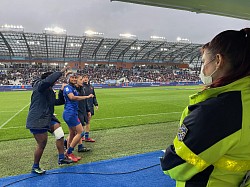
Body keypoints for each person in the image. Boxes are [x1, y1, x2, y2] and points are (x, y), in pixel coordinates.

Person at [160, 28, 250, 186]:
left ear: (218, 61)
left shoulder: (218, 111)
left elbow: (174, 165)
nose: (202, 68)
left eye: (203, 62)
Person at [26, 67, 72, 175]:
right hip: (38, 119)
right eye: (54, 80)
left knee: (59, 133)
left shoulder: (49, 90)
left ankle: (61, 158)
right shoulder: (39, 85)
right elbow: (47, 82)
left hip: (47, 117)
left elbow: (57, 102)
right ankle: (35, 167)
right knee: (42, 144)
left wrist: (61, 92)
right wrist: (61, 72)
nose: (55, 82)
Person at [63, 72, 94, 162]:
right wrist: (86, 97)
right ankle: (69, 152)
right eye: (72, 78)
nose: (74, 79)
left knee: (72, 134)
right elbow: (72, 98)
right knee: (81, 133)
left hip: (72, 113)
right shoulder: (68, 87)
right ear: (68, 79)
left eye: (75, 78)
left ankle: (69, 153)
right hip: (70, 113)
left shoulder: (72, 87)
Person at [82, 74, 98, 142]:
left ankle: (86, 137)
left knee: (88, 122)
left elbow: (94, 96)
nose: (85, 79)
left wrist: (96, 104)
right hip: (83, 107)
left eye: (87, 78)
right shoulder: (81, 87)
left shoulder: (91, 87)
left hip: (90, 106)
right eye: (84, 78)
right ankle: (81, 136)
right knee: (82, 123)